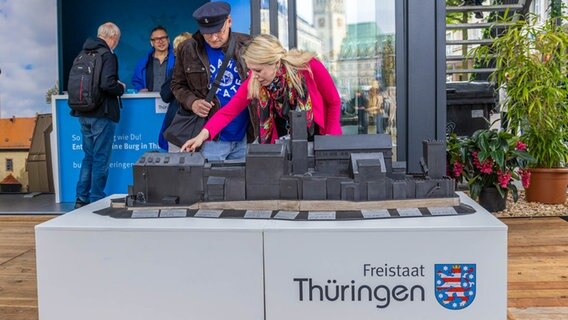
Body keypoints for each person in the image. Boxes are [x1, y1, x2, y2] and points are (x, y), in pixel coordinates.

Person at [180, 34, 342, 152]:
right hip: (283, 145)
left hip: (319, 139)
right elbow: (228, 112)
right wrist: (201, 137)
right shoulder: (255, 80)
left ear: (276, 63)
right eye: (251, 69)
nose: (253, 75)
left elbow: (333, 101)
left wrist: (330, 141)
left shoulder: (309, 66)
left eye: (258, 70)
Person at [171, 1, 255, 159]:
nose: (214, 38)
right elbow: (177, 84)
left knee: (241, 183)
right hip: (208, 137)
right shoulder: (188, 48)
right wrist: (192, 102)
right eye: (208, 33)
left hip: (245, 134)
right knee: (207, 182)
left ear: (229, 21)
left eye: (219, 31)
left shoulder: (248, 44)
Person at [72, 22, 126, 208]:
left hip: (83, 112)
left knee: (88, 157)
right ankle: (96, 199)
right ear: (112, 38)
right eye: (116, 40)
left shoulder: (83, 53)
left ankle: (81, 198)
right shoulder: (107, 55)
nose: (116, 44)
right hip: (102, 113)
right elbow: (107, 85)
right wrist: (121, 87)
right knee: (101, 158)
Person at [157, 32, 192, 151]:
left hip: (178, 123)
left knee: (175, 165)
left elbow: (165, 95)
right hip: (197, 125)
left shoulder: (176, 71)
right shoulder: (204, 69)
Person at [132, 26, 175, 92]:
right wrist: (140, 89)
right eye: (156, 39)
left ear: (168, 40)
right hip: (150, 101)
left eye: (163, 38)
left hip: (173, 100)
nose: (160, 41)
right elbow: (137, 81)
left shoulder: (177, 59)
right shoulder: (143, 63)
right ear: (152, 43)